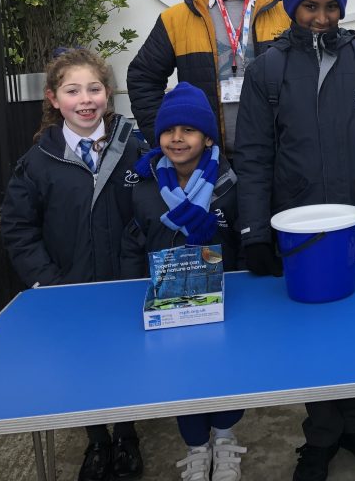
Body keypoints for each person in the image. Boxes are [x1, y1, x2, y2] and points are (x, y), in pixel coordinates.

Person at [234, 0, 355, 481]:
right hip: (299, 233)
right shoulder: (268, 69)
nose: (321, 16)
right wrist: (256, 233)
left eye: (331, 6)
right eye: (311, 5)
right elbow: (254, 155)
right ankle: (322, 436)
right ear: (292, 8)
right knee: (311, 337)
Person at [0, 48, 144, 481]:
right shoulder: (37, 163)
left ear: (108, 93)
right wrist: (50, 283)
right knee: (83, 364)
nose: (86, 99)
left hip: (125, 284)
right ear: (53, 98)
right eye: (73, 90)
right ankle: (96, 441)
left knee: (126, 359)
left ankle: (127, 434)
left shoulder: (135, 149)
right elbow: (19, 230)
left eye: (94, 88)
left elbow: (150, 211)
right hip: (69, 289)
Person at [121, 83, 245, 481]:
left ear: (207, 136)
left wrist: (214, 235)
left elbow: (242, 246)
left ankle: (225, 439)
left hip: (222, 301)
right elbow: (132, 241)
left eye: (188, 130)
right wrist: (130, 287)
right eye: (169, 130)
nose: (177, 138)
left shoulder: (230, 183)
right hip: (166, 303)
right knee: (182, 375)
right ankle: (196, 446)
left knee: (224, 370)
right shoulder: (143, 186)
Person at [127, 0, 291, 157]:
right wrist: (163, 136)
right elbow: (143, 78)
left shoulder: (286, 13)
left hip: (277, 156)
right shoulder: (176, 19)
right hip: (205, 161)